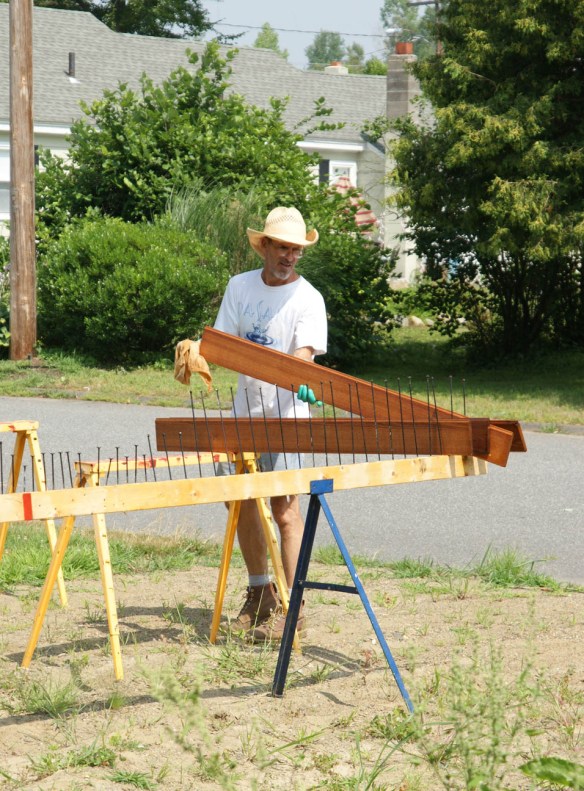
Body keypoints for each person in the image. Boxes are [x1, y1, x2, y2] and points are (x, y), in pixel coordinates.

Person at [213, 206, 327, 641]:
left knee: (285, 510)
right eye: (283, 247)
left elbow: (304, 358)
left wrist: (302, 378)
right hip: (245, 413)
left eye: (296, 250)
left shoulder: (308, 299)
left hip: (288, 417)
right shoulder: (239, 287)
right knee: (238, 501)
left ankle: (294, 607)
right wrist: (200, 352)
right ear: (264, 246)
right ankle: (261, 593)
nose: (290, 256)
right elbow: (224, 345)